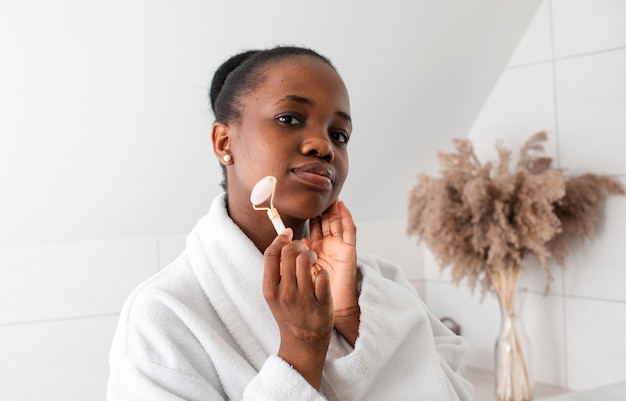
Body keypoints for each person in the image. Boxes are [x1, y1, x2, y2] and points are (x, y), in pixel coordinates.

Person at [106, 46, 473, 400]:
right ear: (223, 141)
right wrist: (301, 348)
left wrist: (351, 316)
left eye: (339, 135)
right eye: (289, 119)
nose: (324, 146)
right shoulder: (164, 314)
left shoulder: (381, 289)